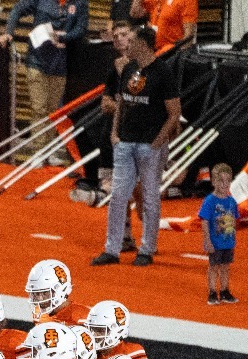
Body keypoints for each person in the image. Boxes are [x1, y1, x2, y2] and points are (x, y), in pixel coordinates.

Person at [92, 25, 180, 267]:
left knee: (150, 197)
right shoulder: (129, 68)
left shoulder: (163, 72)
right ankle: (112, 249)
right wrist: (114, 133)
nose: (125, 45)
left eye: (130, 41)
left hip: (148, 145)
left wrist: (157, 142)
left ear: (142, 43)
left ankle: (147, 249)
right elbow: (121, 102)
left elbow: (174, 113)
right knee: (118, 196)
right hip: (125, 142)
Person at [5, 0, 88, 163]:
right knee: (39, 108)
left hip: (60, 64)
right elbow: (17, 9)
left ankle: (48, 150)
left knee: (53, 110)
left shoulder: (80, 3)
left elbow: (81, 28)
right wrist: (9, 32)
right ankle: (38, 151)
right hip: (37, 61)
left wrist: (63, 37)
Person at [199, 163, 239, 303]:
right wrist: (207, 240)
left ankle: (224, 290)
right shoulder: (209, 201)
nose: (224, 184)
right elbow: (204, 220)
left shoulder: (231, 201)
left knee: (225, 266)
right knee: (214, 267)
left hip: (227, 240)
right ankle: (212, 291)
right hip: (215, 242)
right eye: (221, 180)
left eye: (227, 180)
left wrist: (233, 238)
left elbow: (234, 220)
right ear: (213, 181)